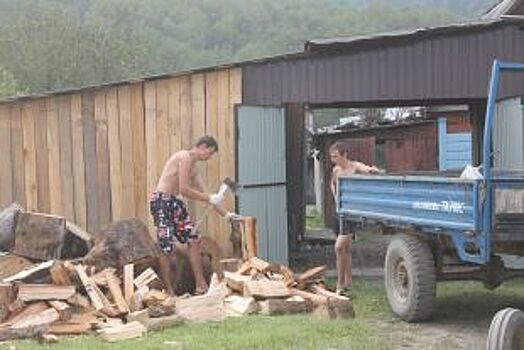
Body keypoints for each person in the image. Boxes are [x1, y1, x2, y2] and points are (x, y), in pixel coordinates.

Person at [150, 135, 240, 295]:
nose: (209, 157)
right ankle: (168, 291)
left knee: (194, 240)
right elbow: (184, 189)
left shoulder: (194, 168)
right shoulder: (184, 157)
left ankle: (201, 286)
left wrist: (226, 215)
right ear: (202, 147)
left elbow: (206, 195)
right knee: (166, 247)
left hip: (175, 203)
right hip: (162, 202)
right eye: (210, 153)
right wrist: (209, 197)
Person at [329, 141, 379, 296]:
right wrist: (336, 197)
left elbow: (367, 169)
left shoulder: (354, 166)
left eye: (335, 156)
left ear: (344, 155)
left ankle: (340, 285)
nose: (333, 159)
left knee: (339, 247)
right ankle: (348, 280)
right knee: (345, 249)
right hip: (339, 212)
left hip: (351, 214)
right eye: (331, 156)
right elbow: (332, 183)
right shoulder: (336, 169)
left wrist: (372, 170)